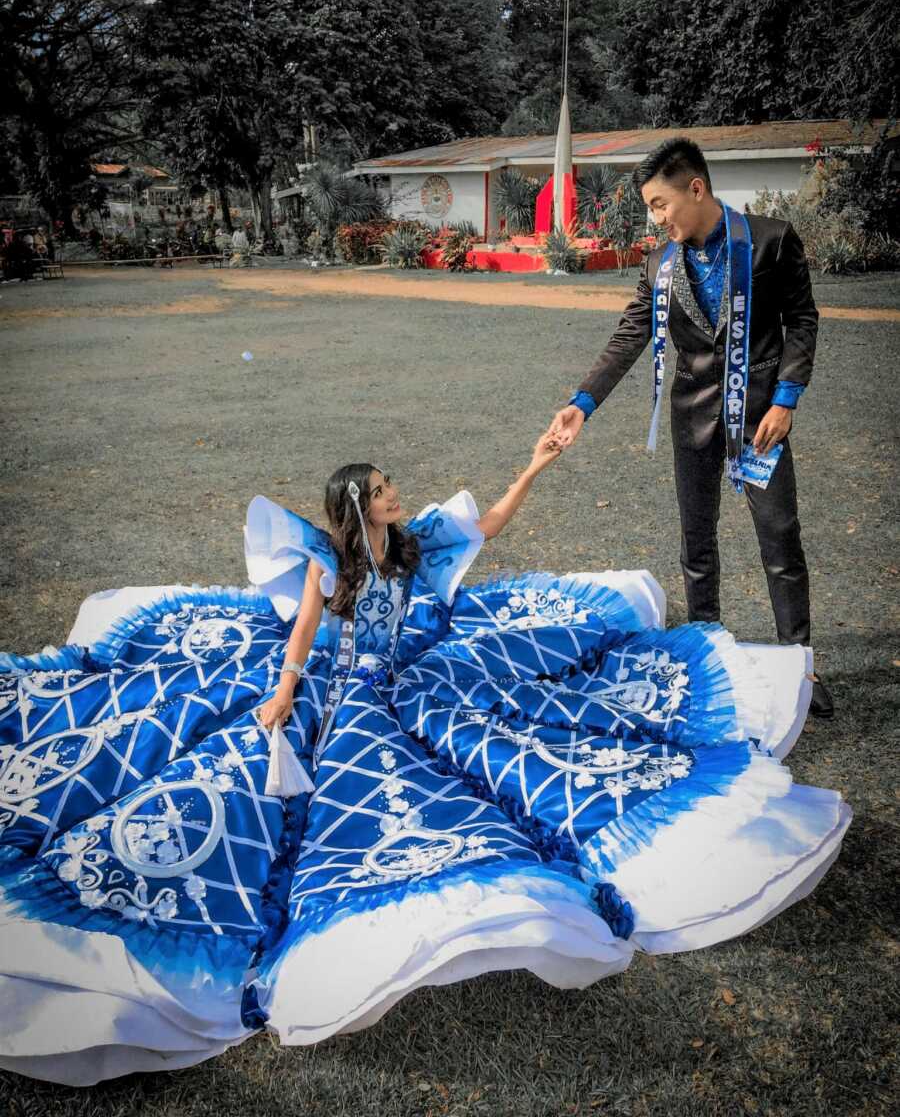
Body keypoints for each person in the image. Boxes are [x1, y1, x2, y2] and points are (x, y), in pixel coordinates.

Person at [0, 437, 849, 1084]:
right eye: (381, 491)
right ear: (356, 506)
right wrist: (288, 690)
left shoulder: (412, 543)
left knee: (528, 717)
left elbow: (487, 525)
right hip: (339, 681)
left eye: (390, 488)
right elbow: (302, 634)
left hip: (407, 671)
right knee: (272, 778)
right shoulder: (328, 563)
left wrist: (535, 464)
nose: (395, 494)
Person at [551, 138, 833, 718]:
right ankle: (707, 654)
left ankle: (800, 663)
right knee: (696, 545)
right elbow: (631, 335)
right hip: (690, 419)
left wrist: (785, 400)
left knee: (780, 538)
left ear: (695, 188)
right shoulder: (659, 265)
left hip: (760, 421)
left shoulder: (770, 240)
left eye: (660, 205)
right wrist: (583, 402)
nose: (656, 219)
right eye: (651, 208)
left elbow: (801, 321)